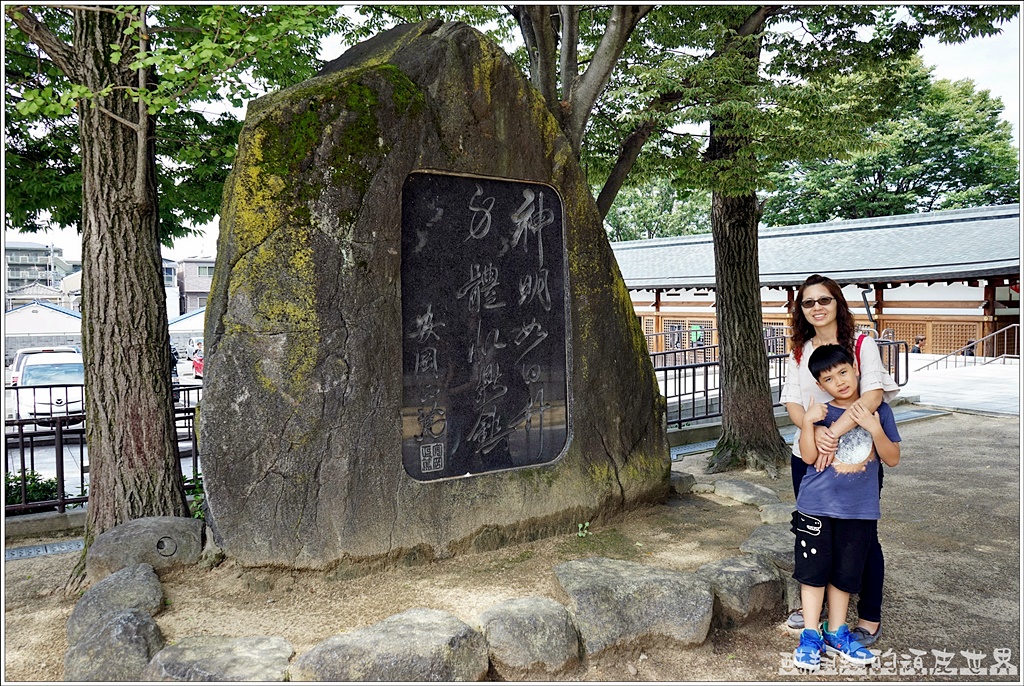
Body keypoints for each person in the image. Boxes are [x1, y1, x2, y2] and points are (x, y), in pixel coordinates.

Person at [779, 274, 899, 646]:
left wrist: (835, 432)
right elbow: (794, 403)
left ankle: (868, 615)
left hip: (856, 456)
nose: (817, 307)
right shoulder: (799, 350)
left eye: (824, 300)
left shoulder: (860, 344)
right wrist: (814, 433)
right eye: (809, 302)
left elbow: (874, 394)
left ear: (837, 302)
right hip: (810, 456)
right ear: (801, 310)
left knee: (861, 536)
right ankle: (816, 614)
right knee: (814, 532)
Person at [791, 344, 902, 670]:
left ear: (856, 370)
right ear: (820, 385)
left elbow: (893, 458)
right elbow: (809, 457)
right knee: (813, 573)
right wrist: (809, 423)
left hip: (859, 510)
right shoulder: (822, 413)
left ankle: (837, 631)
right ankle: (810, 634)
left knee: (846, 572)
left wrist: (873, 428)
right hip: (817, 507)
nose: (839, 381)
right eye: (829, 378)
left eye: (843, 372)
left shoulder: (879, 411)